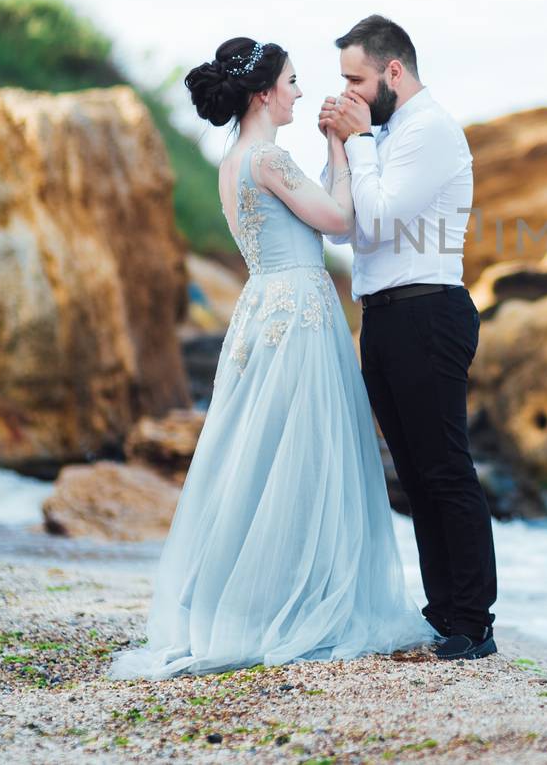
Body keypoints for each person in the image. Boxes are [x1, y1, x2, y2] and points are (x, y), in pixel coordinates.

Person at [108, 36, 433, 680]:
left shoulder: (236, 160)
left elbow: (303, 219)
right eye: (290, 81)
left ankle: (253, 599)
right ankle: (296, 601)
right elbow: (338, 220)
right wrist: (341, 147)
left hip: (267, 308)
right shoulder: (269, 159)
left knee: (260, 459)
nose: (300, 92)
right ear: (262, 93)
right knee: (302, 456)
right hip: (299, 313)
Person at [317, 14, 497, 662]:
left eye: (356, 78)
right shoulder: (378, 134)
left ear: (394, 70)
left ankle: (473, 623)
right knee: (415, 475)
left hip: (430, 311)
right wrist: (341, 146)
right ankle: (442, 610)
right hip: (383, 315)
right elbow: (345, 229)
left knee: (446, 468)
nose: (349, 92)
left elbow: (386, 217)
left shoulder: (431, 131)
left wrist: (359, 141)